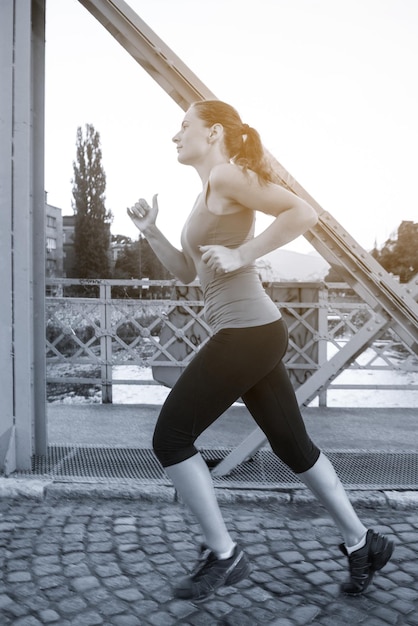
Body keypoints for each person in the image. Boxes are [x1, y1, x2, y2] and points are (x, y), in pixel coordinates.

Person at [127, 99, 394, 601]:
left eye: (185, 125)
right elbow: (189, 273)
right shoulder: (206, 190)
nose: (175, 134)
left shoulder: (227, 176)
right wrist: (151, 232)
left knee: (170, 437)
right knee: (293, 448)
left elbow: (302, 212)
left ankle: (224, 555)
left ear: (212, 133)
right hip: (254, 330)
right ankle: (363, 544)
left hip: (247, 332)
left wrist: (243, 253)